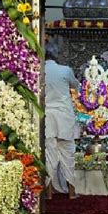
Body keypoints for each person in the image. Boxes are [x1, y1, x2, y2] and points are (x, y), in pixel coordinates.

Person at [44, 43, 80, 199]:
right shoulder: (65, 70)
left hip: (47, 117)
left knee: (49, 156)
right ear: (56, 56)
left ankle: (49, 193)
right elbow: (75, 85)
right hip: (64, 116)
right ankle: (72, 193)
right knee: (68, 155)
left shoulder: (39, 70)